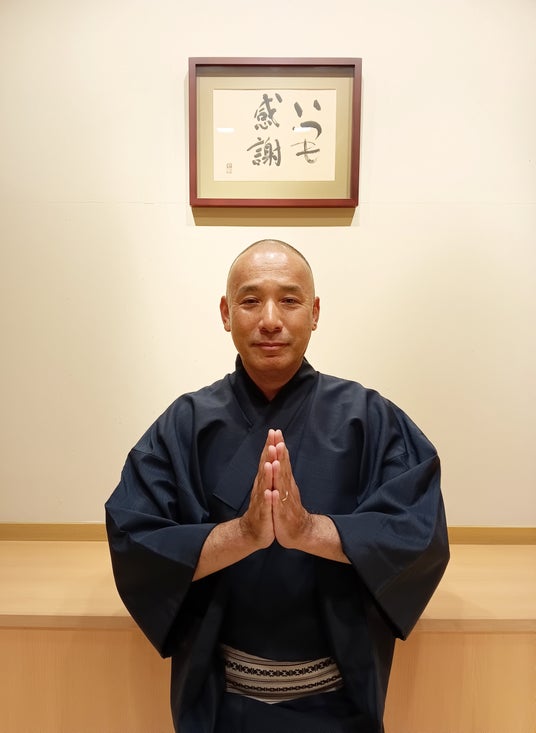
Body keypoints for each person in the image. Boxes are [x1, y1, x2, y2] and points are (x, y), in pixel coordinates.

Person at [105, 238, 449, 733]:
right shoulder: (186, 423)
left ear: (314, 312)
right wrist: (242, 535)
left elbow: (418, 533)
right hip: (219, 700)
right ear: (226, 314)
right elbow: (134, 538)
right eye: (250, 300)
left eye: (289, 300)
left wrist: (309, 531)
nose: (270, 319)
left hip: (339, 702)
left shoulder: (371, 418)